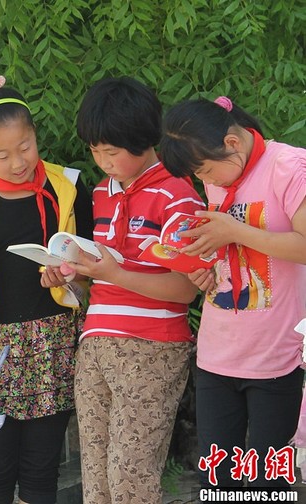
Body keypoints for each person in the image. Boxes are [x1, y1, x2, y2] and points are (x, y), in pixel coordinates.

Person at [0, 75, 93, 504]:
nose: (18, 162)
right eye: (2, 154)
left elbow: (94, 269)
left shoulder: (67, 186)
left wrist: (72, 277)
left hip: (57, 343)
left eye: (25, 147)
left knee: (42, 469)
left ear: (35, 134)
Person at [68, 76, 203, 504]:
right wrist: (71, 273)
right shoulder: (101, 194)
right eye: (95, 151)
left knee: (131, 476)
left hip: (152, 347)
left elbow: (185, 290)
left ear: (144, 140)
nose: (102, 161)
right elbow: (99, 274)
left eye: (111, 152)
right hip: (96, 343)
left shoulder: (178, 195)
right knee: (96, 473)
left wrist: (116, 273)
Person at [159, 96, 306, 488]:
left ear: (233, 144)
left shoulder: (288, 167)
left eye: (206, 171)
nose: (208, 181)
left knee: (266, 485)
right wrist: (204, 270)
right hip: (218, 353)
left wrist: (234, 231)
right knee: (218, 483)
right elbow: (228, 251)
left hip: (276, 355)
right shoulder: (216, 175)